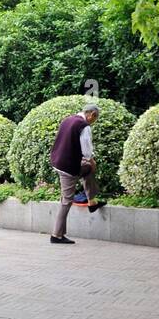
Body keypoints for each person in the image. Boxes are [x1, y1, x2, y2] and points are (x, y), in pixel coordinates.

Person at [48, 102, 106, 244]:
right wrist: (92, 161)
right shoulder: (84, 126)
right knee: (66, 201)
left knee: (87, 168)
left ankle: (92, 202)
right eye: (95, 119)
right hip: (67, 167)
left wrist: (89, 163)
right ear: (92, 115)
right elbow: (86, 151)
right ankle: (56, 235)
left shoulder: (68, 119)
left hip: (58, 161)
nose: (93, 122)